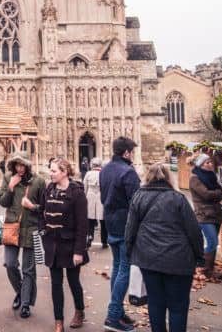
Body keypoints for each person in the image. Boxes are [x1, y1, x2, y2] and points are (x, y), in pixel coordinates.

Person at [126, 163, 204, 332]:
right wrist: (199, 256)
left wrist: (131, 254)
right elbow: (194, 231)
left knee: (155, 302)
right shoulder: (178, 198)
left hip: (148, 259)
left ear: (148, 177)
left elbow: (130, 230)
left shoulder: (138, 196)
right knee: (178, 306)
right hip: (178, 260)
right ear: (169, 178)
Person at [40, 158, 88, 332]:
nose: (50, 174)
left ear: (64, 172)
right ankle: (58, 320)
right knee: (55, 284)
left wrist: (79, 251)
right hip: (52, 245)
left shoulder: (77, 193)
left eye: (54, 171)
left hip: (70, 245)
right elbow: (41, 212)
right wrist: (43, 231)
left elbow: (83, 225)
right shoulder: (48, 189)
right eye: (50, 170)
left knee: (74, 281)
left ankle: (79, 311)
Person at [100, 137, 141, 332]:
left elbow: (103, 196)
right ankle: (113, 316)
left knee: (117, 267)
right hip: (126, 224)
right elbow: (136, 203)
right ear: (126, 153)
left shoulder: (105, 169)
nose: (132, 155)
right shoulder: (128, 172)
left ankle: (118, 311)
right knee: (124, 268)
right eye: (131, 152)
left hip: (110, 222)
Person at [0, 152, 46, 319]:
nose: (19, 168)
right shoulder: (8, 177)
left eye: (22, 165)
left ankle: (25, 303)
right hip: (12, 226)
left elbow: (45, 207)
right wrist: (11, 187)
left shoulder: (39, 181)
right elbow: (3, 202)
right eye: (16, 165)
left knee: (28, 269)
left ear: (27, 165)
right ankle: (20, 292)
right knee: (10, 264)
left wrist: (32, 206)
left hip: (31, 228)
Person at [189, 153, 222, 281]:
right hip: (204, 215)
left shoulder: (212, 177)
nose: (210, 164)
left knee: (213, 244)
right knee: (212, 242)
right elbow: (207, 195)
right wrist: (218, 193)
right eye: (207, 162)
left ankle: (209, 270)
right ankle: (197, 264)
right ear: (200, 165)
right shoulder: (195, 178)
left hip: (215, 214)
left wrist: (218, 193)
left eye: (210, 162)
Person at [83, 157, 107, 249]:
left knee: (90, 219)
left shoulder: (88, 174)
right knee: (102, 220)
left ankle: (90, 237)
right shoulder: (103, 173)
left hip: (90, 195)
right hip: (101, 195)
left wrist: (84, 197)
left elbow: (84, 186)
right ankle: (104, 240)